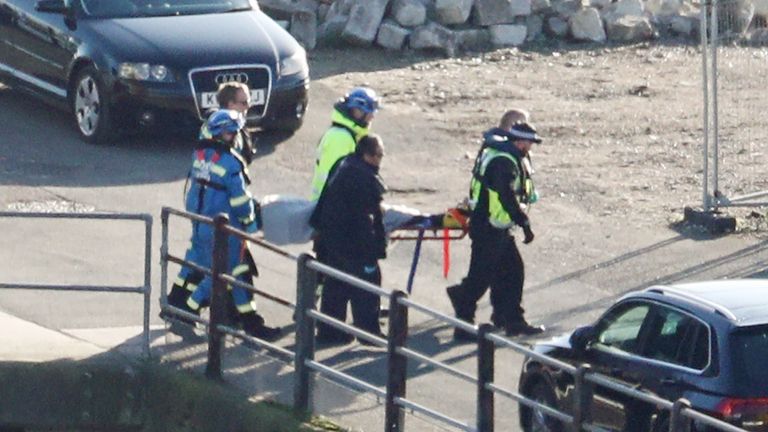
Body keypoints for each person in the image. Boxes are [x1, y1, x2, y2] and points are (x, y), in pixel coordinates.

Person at [165, 109, 281, 341]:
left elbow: (194, 191)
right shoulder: (231, 162)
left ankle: (251, 323)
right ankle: (188, 311)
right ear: (229, 134)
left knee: (236, 272)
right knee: (220, 274)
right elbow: (240, 200)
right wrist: (250, 227)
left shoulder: (200, 154)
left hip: (202, 222)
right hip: (226, 230)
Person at [447, 122, 545, 341]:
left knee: (512, 272)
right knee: (480, 278)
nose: (530, 148)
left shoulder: (500, 154)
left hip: (495, 226)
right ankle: (463, 323)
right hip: (488, 227)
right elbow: (505, 194)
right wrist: (524, 222)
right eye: (529, 143)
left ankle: (512, 321)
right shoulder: (504, 162)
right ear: (519, 142)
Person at [312, 134, 387, 345]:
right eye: (379, 155)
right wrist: (374, 248)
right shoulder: (363, 178)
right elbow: (366, 219)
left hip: (332, 237)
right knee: (367, 286)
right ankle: (369, 333)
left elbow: (327, 197)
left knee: (336, 284)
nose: (381, 159)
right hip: (353, 242)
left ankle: (330, 331)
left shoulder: (344, 165)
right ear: (368, 155)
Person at [310, 87, 380, 201]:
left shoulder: (349, 134)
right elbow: (337, 180)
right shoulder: (341, 138)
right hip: (328, 207)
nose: (371, 117)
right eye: (369, 113)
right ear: (356, 111)